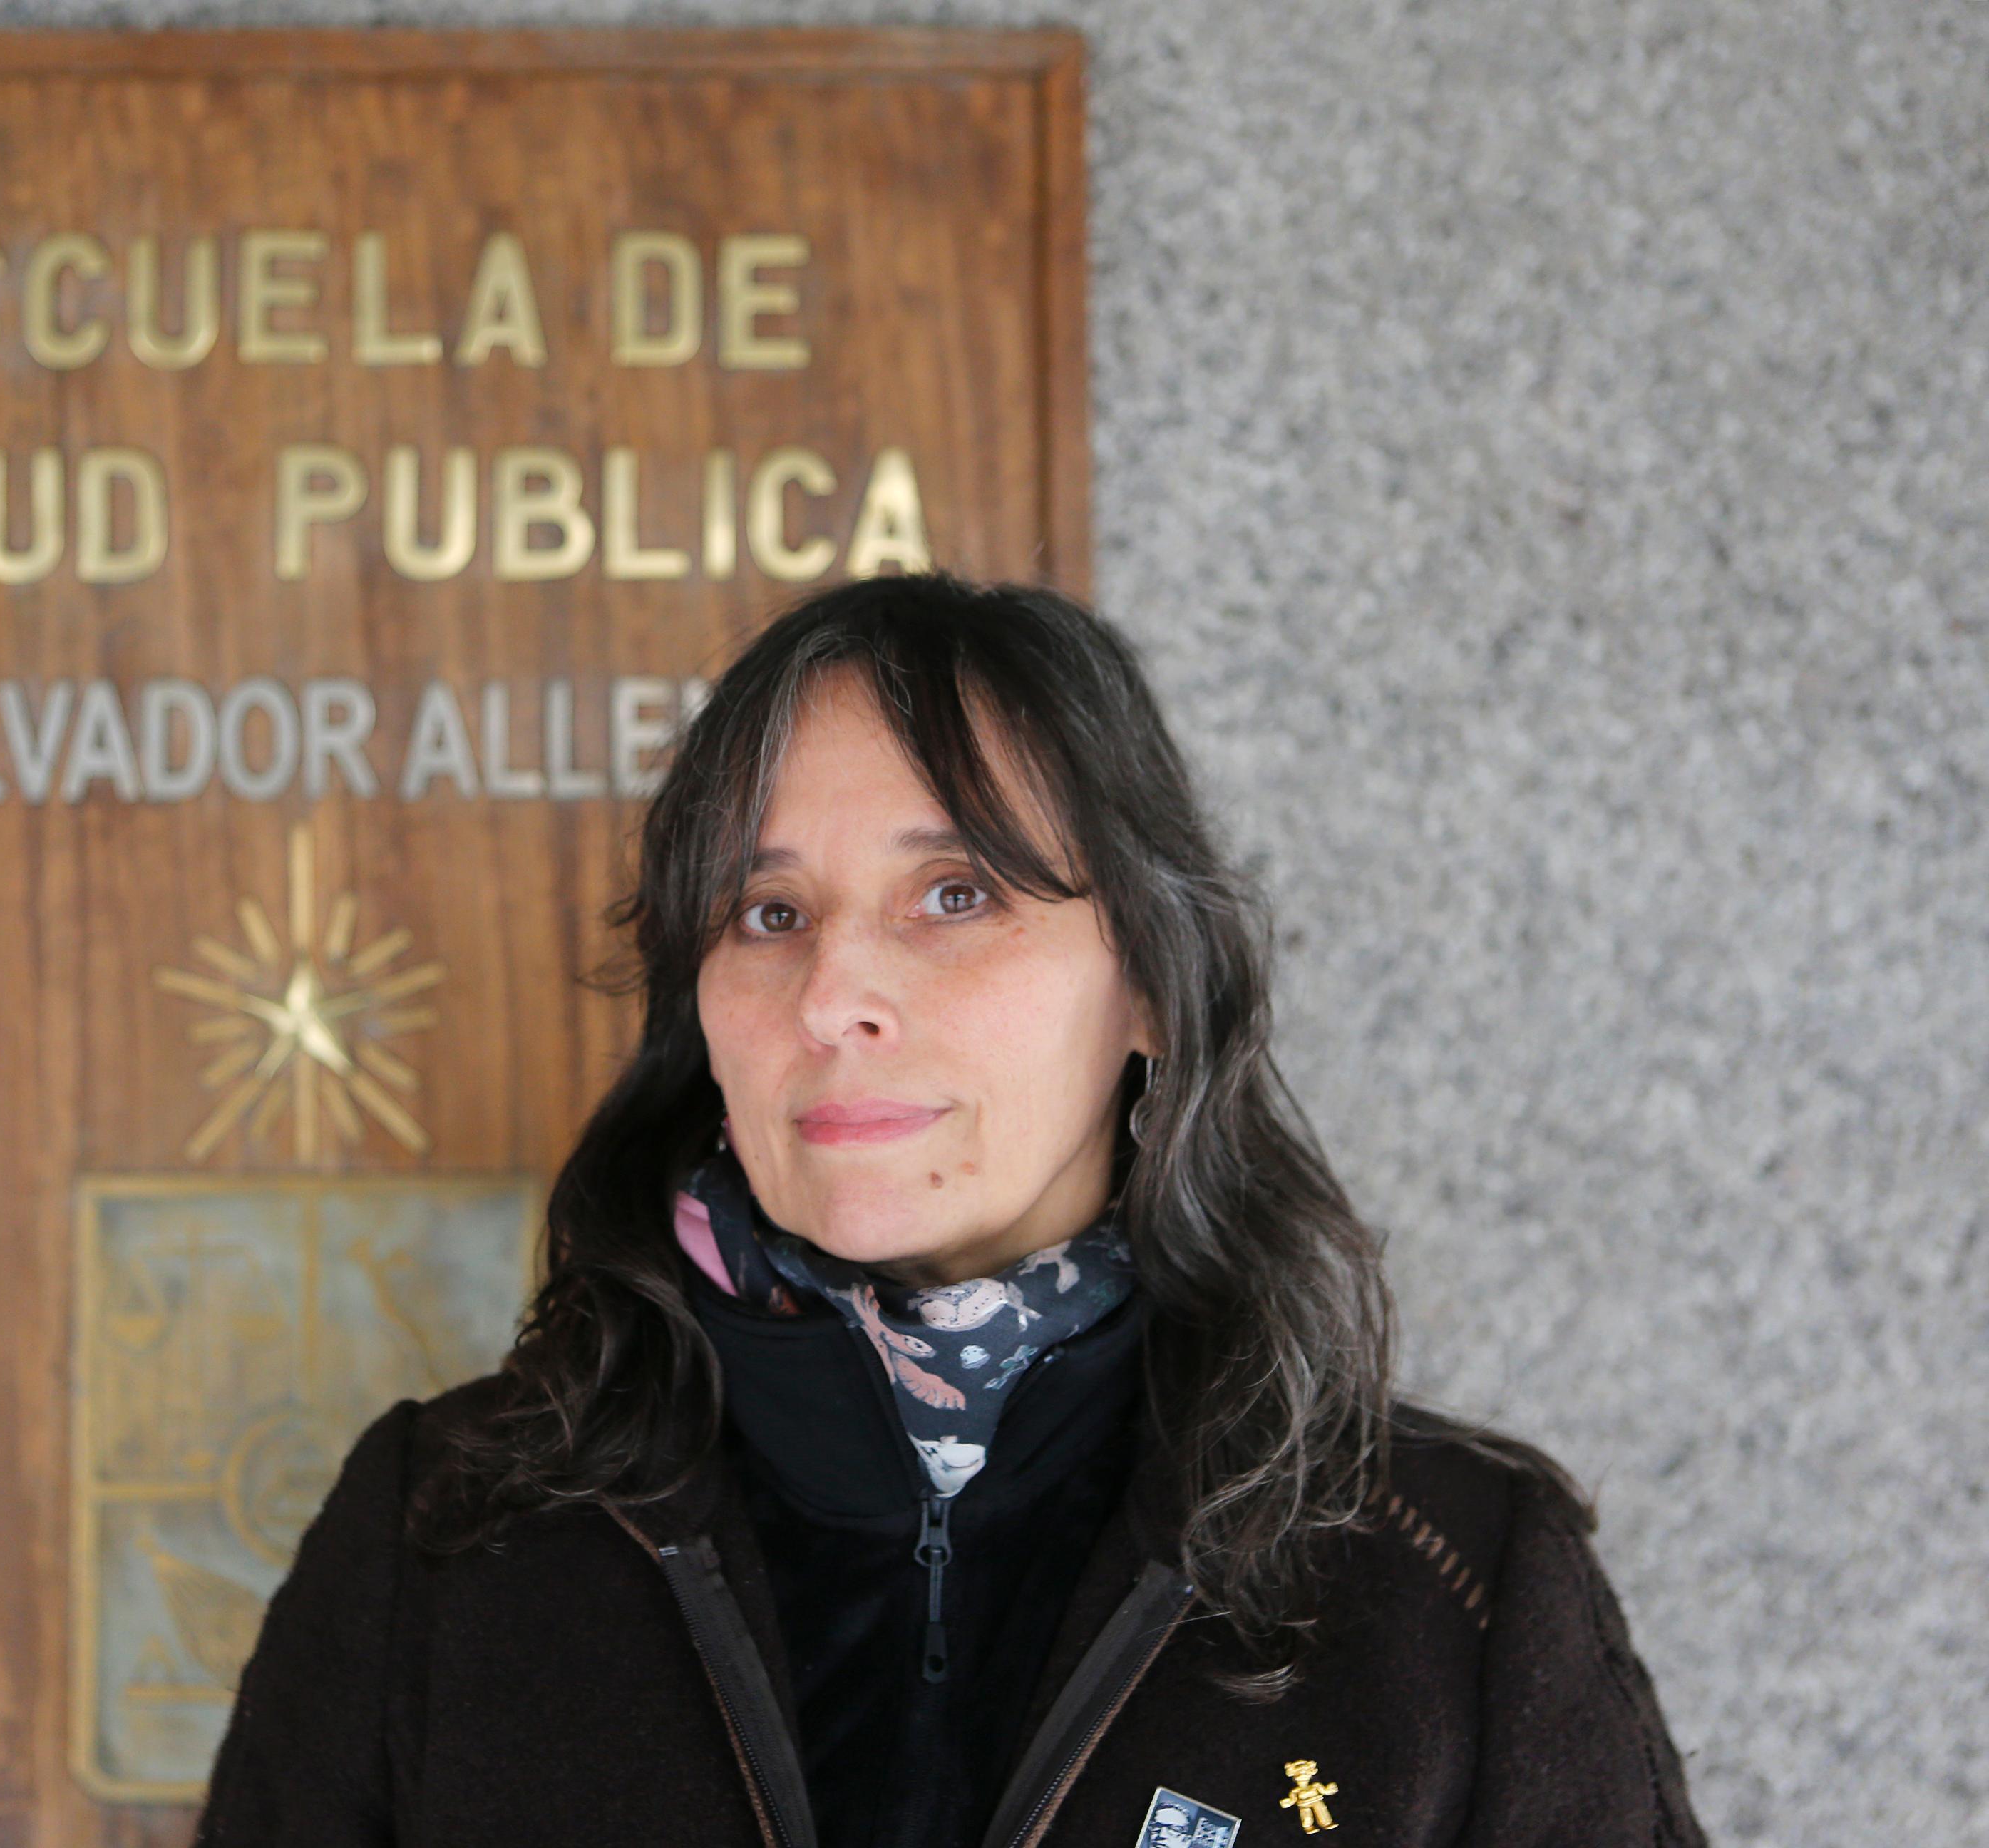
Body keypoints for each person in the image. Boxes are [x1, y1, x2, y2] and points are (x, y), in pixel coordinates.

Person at [195, 573, 1705, 1848]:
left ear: (1154, 987)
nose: (838, 995)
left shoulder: (1445, 1579)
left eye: (958, 894)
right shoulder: (444, 1539)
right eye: (769, 914)